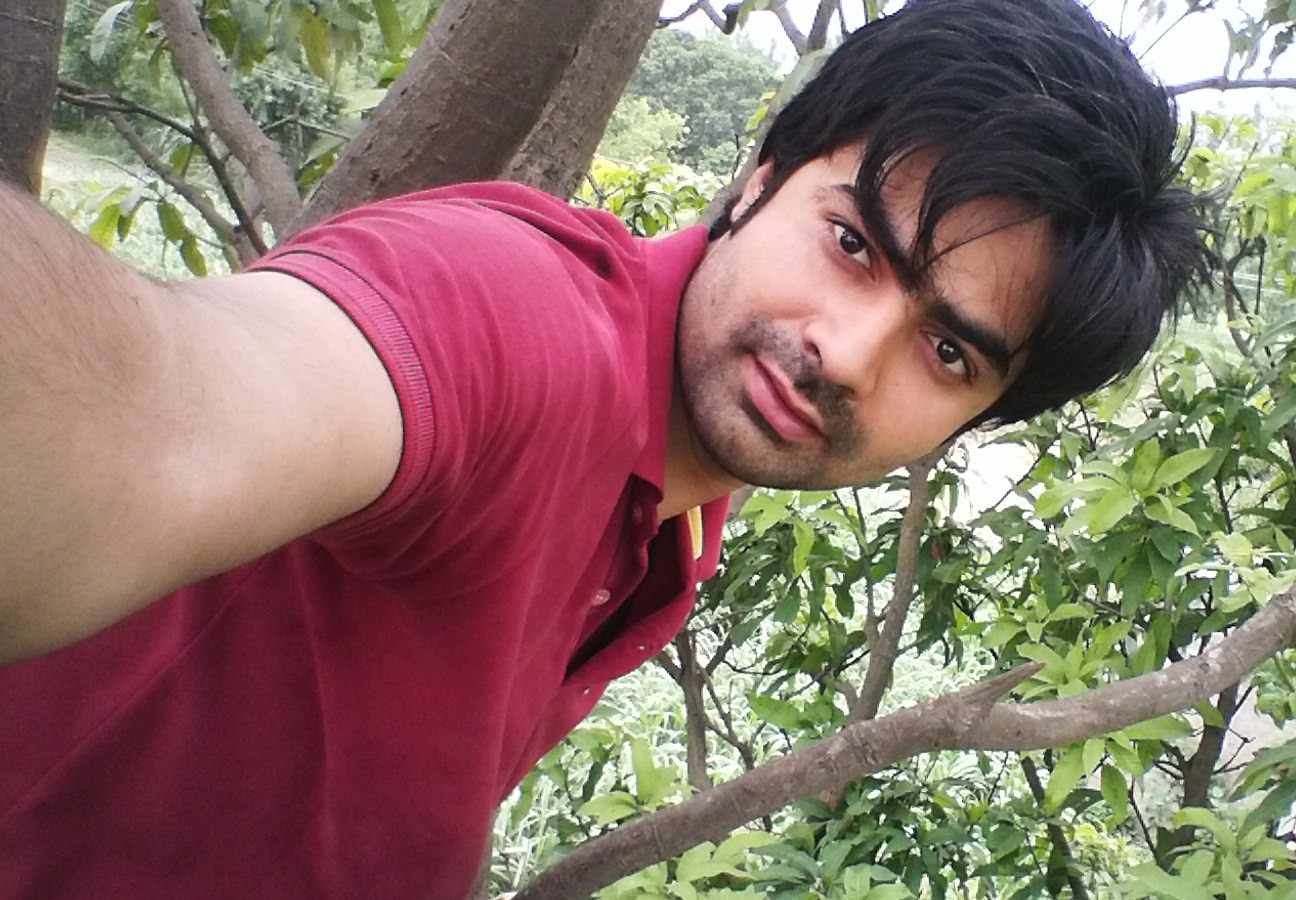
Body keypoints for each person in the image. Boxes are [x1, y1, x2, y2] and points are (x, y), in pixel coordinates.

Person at [0, 0, 1210, 896]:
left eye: (946, 352)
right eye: (851, 243)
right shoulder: (521, 320)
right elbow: (151, 417)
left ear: (972, 419)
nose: (845, 355)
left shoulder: (681, 510)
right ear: (760, 177)